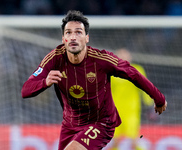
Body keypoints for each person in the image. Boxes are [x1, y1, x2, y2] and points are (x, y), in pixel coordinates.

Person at [21, 10, 167, 150]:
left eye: (78, 32)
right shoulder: (54, 58)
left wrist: (158, 99)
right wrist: (44, 82)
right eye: (68, 33)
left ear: (87, 38)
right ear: (63, 39)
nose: (73, 37)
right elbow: (26, 90)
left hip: (102, 122)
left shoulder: (102, 60)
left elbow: (134, 74)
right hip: (70, 124)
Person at [109, 48, 156, 150]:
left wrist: (149, 105)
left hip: (131, 111)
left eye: (125, 55)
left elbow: (145, 88)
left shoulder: (137, 69)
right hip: (116, 111)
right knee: (115, 142)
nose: (123, 57)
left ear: (130, 57)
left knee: (133, 141)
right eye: (120, 55)